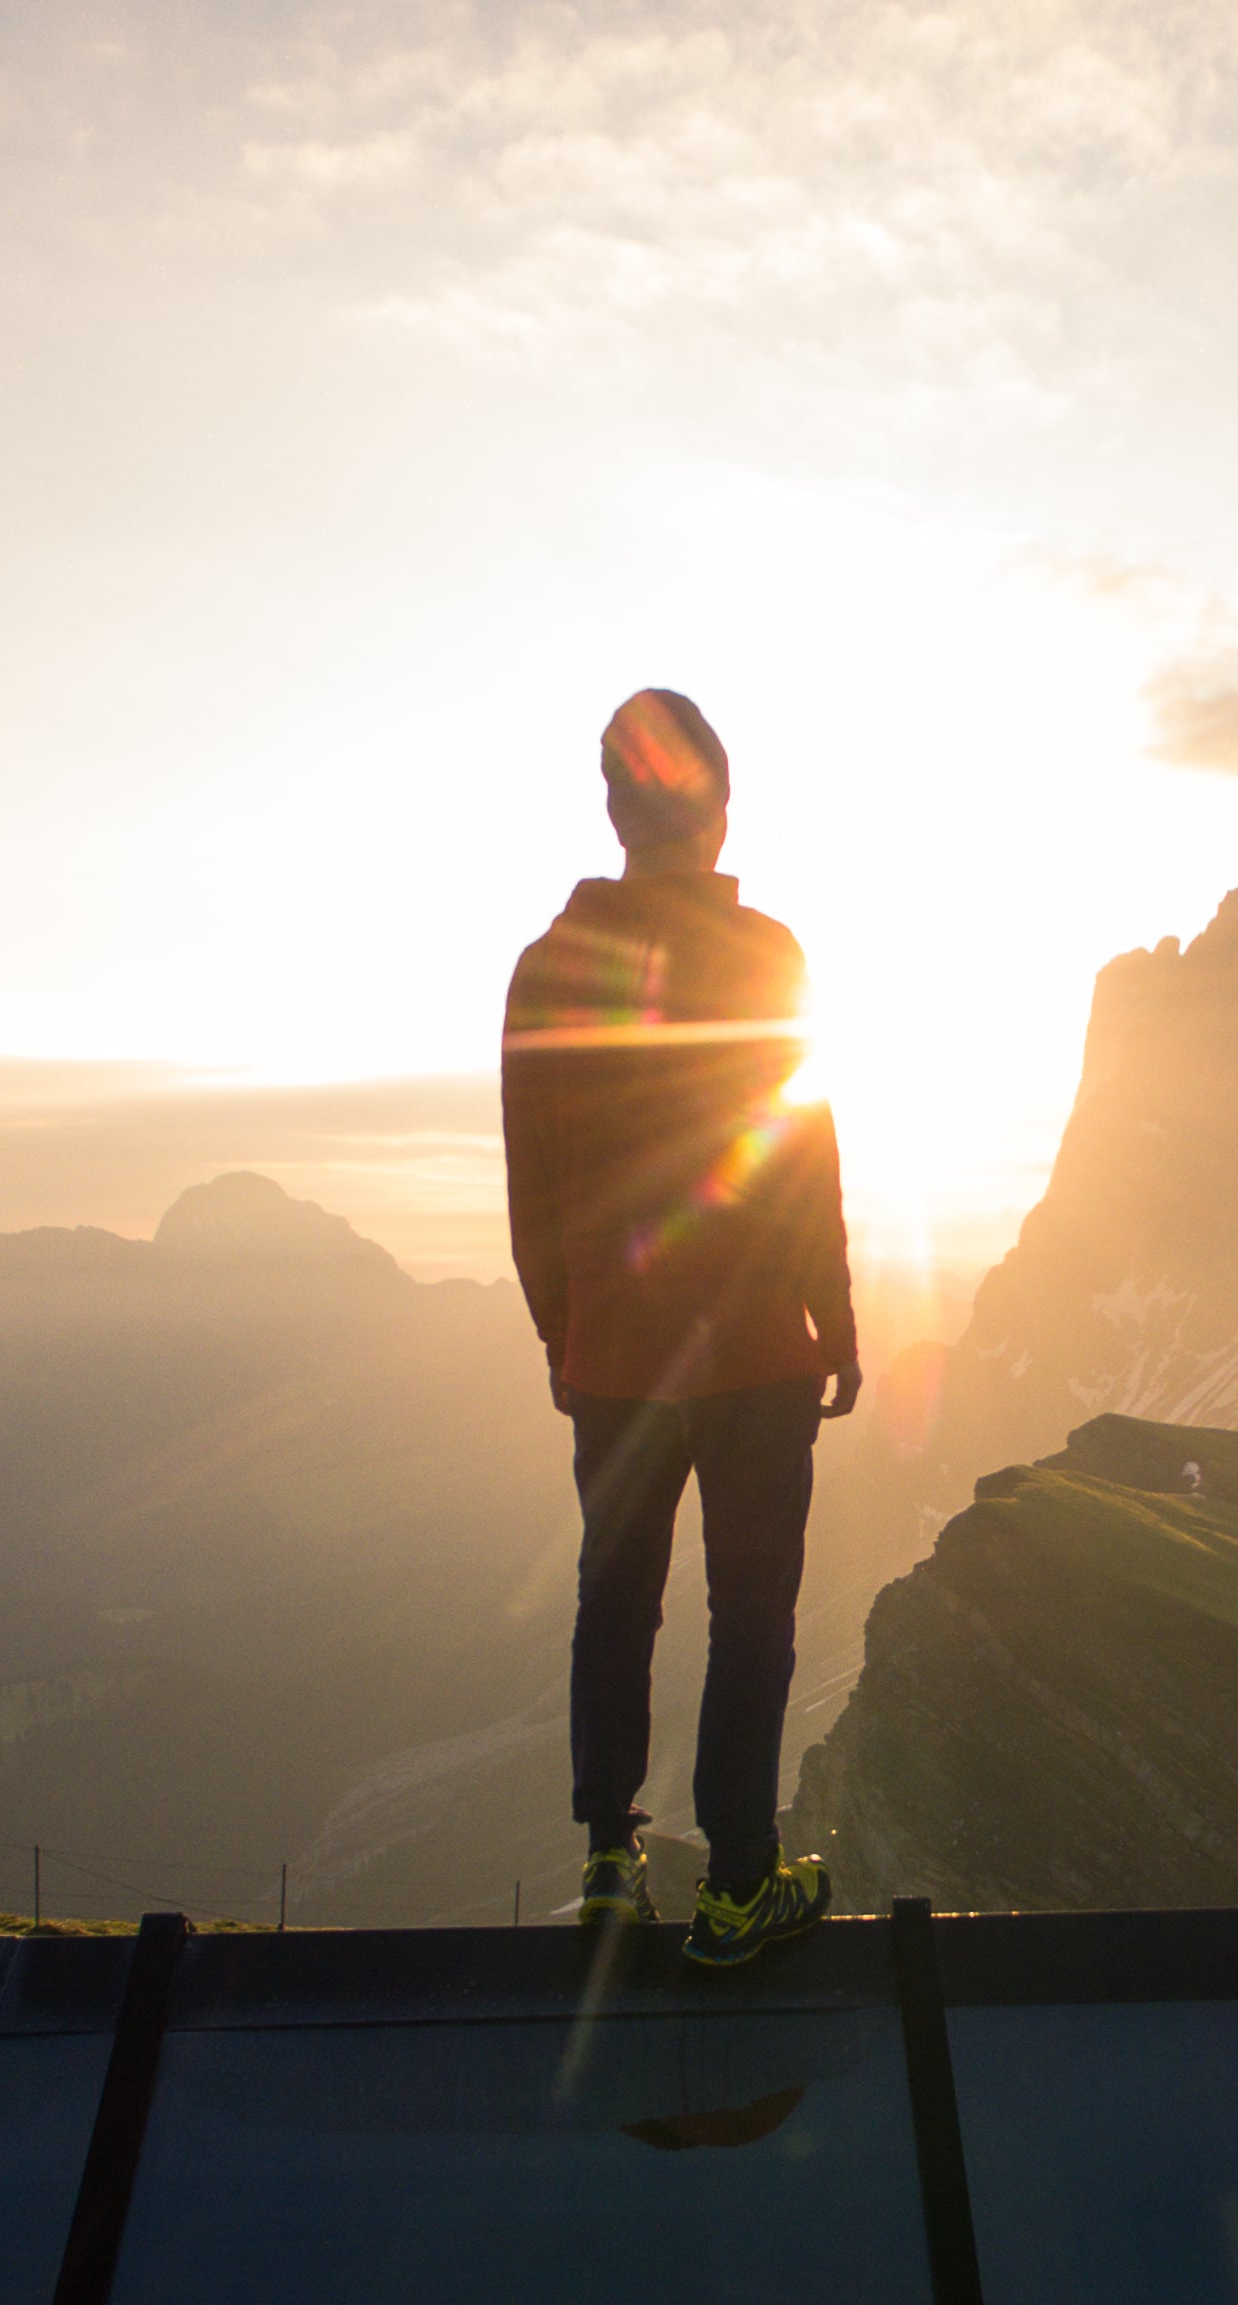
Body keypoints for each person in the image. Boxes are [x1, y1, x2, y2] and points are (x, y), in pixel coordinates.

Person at [501, 689, 860, 1967]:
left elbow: (530, 1179)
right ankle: (740, 1887)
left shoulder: (549, 965)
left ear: (613, 807)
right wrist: (838, 1315)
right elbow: (798, 1151)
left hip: (617, 1354)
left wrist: (564, 1332)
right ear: (716, 809)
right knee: (750, 1610)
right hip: (759, 1343)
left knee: (617, 1596)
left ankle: (609, 1859)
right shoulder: (769, 955)